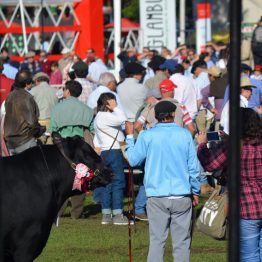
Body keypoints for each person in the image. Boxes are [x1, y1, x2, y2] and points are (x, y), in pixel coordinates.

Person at [125, 100, 200, 262]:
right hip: (181, 194)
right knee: (182, 243)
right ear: (173, 114)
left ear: (156, 116)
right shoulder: (185, 135)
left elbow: (132, 159)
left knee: (157, 242)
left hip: (156, 195)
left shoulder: (147, 135)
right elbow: (193, 168)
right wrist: (195, 190)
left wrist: (129, 137)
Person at [197, 108, 262, 262]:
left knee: (248, 254)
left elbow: (210, 164)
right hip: (250, 203)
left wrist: (202, 146)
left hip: (247, 206)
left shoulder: (234, 146)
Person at [49, 80, 94, 219]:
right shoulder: (87, 109)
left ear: (67, 91)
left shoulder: (57, 108)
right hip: (80, 145)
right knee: (79, 178)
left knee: (61, 179)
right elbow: (91, 130)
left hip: (62, 147)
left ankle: (58, 210)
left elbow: (53, 129)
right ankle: (77, 212)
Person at [93, 92, 130, 225]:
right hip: (113, 151)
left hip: (105, 152)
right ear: (107, 103)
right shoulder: (106, 116)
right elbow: (123, 119)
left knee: (106, 182)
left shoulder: (99, 116)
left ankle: (106, 214)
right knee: (118, 182)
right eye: (112, 101)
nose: (116, 102)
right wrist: (114, 108)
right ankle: (118, 215)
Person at [4, 70, 45, 155]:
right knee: (32, 167)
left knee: (15, 167)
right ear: (27, 83)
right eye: (31, 82)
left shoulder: (9, 96)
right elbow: (32, 122)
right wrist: (41, 130)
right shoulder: (27, 97)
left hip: (10, 142)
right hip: (25, 141)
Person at [30, 72, 58, 143]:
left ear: (37, 81)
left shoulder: (33, 91)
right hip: (53, 123)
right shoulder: (55, 91)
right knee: (50, 149)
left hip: (39, 123)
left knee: (40, 148)